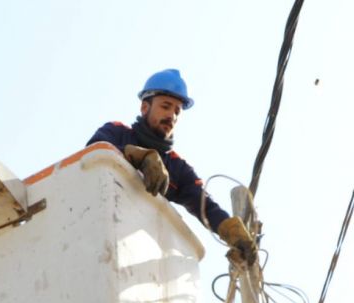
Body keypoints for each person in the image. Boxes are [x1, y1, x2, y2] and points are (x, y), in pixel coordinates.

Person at [86, 69, 257, 266]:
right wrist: (139, 156)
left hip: (133, 250)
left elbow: (205, 206)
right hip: (97, 228)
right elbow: (94, 154)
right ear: (144, 107)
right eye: (165, 106)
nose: (171, 116)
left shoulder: (177, 168)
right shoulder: (115, 132)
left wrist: (232, 233)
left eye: (177, 111)